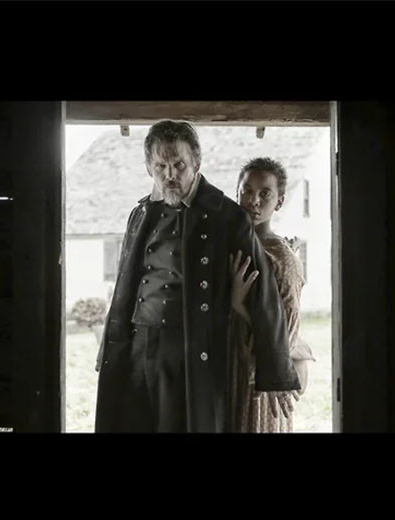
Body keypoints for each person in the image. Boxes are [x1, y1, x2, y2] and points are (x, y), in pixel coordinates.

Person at [94, 121, 300, 433]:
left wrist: (276, 372)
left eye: (179, 165)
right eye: (160, 166)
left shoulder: (226, 216)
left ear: (197, 163)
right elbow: (125, 283)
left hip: (190, 348)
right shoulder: (141, 213)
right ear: (149, 168)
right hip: (139, 344)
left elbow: (265, 292)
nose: (170, 175)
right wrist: (110, 343)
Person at [229, 157, 315, 433]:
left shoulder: (282, 258)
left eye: (265, 194)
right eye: (247, 190)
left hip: (260, 377)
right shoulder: (229, 247)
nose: (254, 201)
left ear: (279, 202)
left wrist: (240, 305)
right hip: (226, 371)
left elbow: (286, 336)